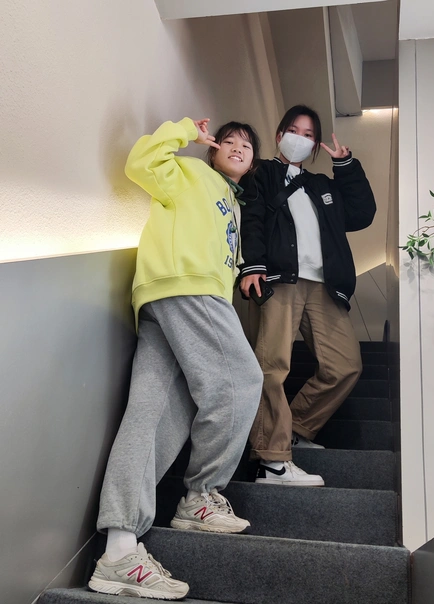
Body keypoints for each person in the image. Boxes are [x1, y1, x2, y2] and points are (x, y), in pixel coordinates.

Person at [88, 117, 264, 600]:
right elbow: (141, 162)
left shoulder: (233, 202)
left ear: (253, 162)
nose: (237, 147)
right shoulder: (190, 172)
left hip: (166, 298)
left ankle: (119, 550)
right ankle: (202, 495)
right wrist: (185, 130)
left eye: (247, 145)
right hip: (187, 288)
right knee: (241, 381)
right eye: (228, 140)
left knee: (153, 415)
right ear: (213, 150)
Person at [239, 105, 376, 487]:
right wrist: (253, 265)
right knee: (272, 366)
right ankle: (271, 460)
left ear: (315, 146)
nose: (300, 138)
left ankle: (296, 428)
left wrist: (346, 166)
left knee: (345, 365)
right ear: (280, 134)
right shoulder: (261, 173)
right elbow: (251, 218)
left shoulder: (322, 185)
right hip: (279, 279)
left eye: (309, 134)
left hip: (323, 285)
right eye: (294, 131)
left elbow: (362, 214)